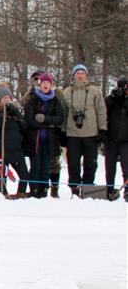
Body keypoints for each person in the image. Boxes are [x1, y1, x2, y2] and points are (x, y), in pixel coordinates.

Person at [61, 64, 106, 197]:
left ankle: (88, 188)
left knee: (90, 163)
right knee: (73, 163)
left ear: (86, 75)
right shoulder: (67, 92)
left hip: (91, 133)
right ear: (73, 75)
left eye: (82, 73)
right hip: (72, 133)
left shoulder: (94, 91)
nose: (80, 75)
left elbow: (101, 111)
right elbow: (63, 113)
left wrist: (102, 129)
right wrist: (62, 131)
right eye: (77, 73)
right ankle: (74, 188)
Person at [24, 73, 64, 198]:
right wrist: (47, 124)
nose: (46, 85)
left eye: (48, 83)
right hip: (35, 139)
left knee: (46, 166)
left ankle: (44, 189)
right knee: (36, 166)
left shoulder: (55, 100)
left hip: (50, 139)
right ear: (39, 84)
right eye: (43, 83)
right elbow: (29, 120)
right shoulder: (32, 98)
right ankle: (34, 190)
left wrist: (45, 119)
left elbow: (59, 118)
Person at [0, 84, 30, 198]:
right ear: (0, 100)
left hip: (16, 149)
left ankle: (21, 192)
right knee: (3, 175)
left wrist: (15, 112)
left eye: (9, 98)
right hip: (1, 150)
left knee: (24, 174)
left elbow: (24, 126)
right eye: (4, 98)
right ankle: (2, 193)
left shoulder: (15, 111)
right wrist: (2, 115)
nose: (7, 100)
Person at [103, 78, 128, 201]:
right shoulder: (110, 99)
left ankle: (127, 191)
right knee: (110, 167)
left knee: (126, 167)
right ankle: (109, 189)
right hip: (110, 139)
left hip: (125, 140)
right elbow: (103, 111)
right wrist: (113, 98)